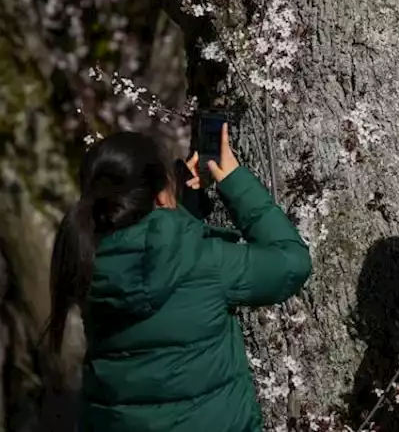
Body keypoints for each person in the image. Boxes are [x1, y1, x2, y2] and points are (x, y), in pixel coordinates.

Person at [44, 125, 312, 432]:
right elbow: (292, 262)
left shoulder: (84, 262)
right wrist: (235, 181)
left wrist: (182, 209)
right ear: (160, 193)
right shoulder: (207, 262)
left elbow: (155, 262)